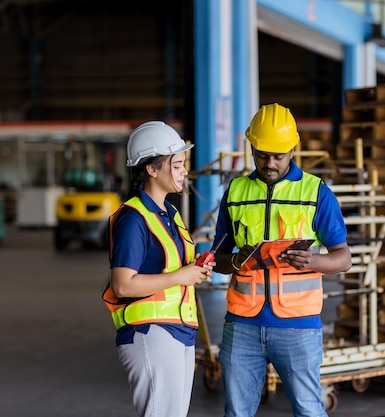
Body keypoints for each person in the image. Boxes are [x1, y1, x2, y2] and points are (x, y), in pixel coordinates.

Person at [212, 103, 352, 417]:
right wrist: (233, 261)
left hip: (297, 327)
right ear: (252, 147)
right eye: (262, 154)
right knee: (237, 413)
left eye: (278, 155)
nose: (270, 163)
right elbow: (216, 257)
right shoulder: (235, 192)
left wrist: (313, 261)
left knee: (308, 411)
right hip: (242, 325)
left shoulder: (316, 192)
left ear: (292, 149)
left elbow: (343, 259)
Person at [102, 121, 215, 417]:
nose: (184, 172)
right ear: (152, 169)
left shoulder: (170, 214)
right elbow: (122, 285)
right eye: (177, 165)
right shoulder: (133, 219)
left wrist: (196, 271)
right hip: (150, 333)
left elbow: (173, 270)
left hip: (178, 331)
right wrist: (182, 275)